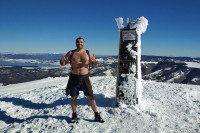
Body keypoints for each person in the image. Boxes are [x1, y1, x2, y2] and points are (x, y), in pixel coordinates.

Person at [60, 37, 105, 123]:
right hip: (74, 77)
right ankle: (74, 114)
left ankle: (96, 115)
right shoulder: (71, 53)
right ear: (75, 43)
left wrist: (94, 62)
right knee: (73, 97)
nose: (79, 43)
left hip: (85, 78)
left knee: (91, 97)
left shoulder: (88, 52)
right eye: (78, 42)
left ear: (84, 43)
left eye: (81, 42)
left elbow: (94, 65)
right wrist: (62, 61)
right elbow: (63, 63)